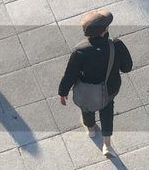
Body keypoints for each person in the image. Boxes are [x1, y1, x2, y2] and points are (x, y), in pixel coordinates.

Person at [57, 9, 133, 158]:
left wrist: (63, 92)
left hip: (86, 90)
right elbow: (127, 67)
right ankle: (107, 145)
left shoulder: (80, 51)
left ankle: (91, 129)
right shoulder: (117, 46)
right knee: (107, 110)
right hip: (109, 89)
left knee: (87, 108)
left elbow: (70, 75)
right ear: (105, 30)